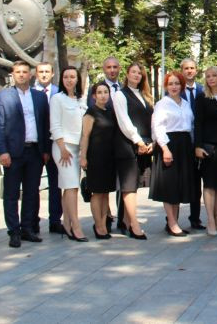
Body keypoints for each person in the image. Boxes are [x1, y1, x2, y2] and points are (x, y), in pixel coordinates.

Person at [0, 61, 50, 248]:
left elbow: (45, 124)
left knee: (32, 192)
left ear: (31, 75)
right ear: (13, 74)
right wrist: (2, 151)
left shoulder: (39, 97)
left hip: (34, 151)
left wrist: (45, 150)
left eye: (25, 72)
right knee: (11, 193)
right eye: (18, 72)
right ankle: (13, 231)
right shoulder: (3, 96)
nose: (22, 75)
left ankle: (27, 229)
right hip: (13, 153)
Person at [150, 71, 196, 237]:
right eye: (171, 84)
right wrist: (165, 149)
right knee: (169, 186)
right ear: (166, 86)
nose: (174, 87)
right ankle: (172, 222)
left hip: (184, 145)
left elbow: (190, 126)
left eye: (177, 83)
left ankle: (174, 221)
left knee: (178, 185)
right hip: (169, 145)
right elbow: (158, 127)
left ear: (182, 85)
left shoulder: (185, 103)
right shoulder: (163, 104)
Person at [113, 63, 153, 240]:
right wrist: (138, 140)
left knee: (135, 185)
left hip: (144, 145)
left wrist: (151, 142)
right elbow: (124, 121)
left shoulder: (145, 95)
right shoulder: (120, 95)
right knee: (129, 187)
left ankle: (126, 221)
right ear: (127, 74)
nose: (137, 75)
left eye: (140, 73)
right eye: (134, 72)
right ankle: (134, 225)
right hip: (127, 145)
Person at [49, 66, 88, 242]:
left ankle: (66, 223)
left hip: (77, 148)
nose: (69, 80)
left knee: (69, 186)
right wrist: (62, 147)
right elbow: (55, 125)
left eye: (72, 77)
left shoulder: (81, 100)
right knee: (72, 186)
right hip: (63, 148)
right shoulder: (57, 99)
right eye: (66, 77)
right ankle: (76, 226)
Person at [194, 66, 217, 236]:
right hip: (209, 146)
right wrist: (198, 146)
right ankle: (210, 219)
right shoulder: (202, 98)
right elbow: (198, 123)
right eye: (208, 76)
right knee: (210, 184)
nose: (211, 78)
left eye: (214, 75)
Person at [80, 83, 119, 240]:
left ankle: (104, 223)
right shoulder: (90, 113)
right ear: (94, 96)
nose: (103, 95)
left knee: (105, 193)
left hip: (109, 157)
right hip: (95, 157)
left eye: (105, 92)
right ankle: (98, 226)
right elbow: (85, 136)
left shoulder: (110, 112)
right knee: (97, 193)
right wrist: (83, 157)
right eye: (99, 92)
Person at [33, 61, 63, 234]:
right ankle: (32, 220)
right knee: (33, 186)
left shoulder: (59, 92)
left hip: (55, 145)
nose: (44, 74)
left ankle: (54, 220)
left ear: (52, 74)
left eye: (47, 72)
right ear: (36, 74)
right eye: (40, 72)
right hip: (36, 147)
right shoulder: (29, 93)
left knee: (55, 185)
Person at [180, 58, 206, 230]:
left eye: (192, 68)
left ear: (196, 70)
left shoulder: (203, 90)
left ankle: (195, 218)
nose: (189, 71)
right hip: (182, 142)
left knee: (197, 182)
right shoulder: (175, 90)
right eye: (186, 68)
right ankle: (171, 219)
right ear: (182, 71)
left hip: (200, 140)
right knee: (180, 180)